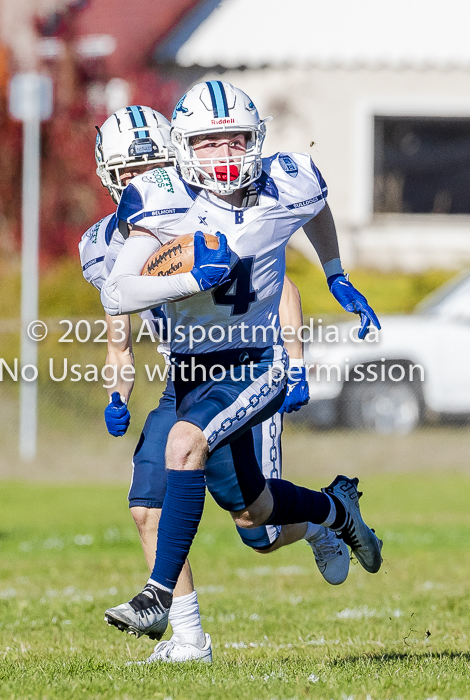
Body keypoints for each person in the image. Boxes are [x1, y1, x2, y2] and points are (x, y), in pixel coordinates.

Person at [83, 101, 353, 653]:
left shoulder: (204, 208)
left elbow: (277, 285)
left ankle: (331, 513)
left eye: (150, 168)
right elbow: (119, 324)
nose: (141, 182)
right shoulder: (108, 242)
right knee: (145, 507)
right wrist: (118, 388)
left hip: (246, 365)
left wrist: (297, 362)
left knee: (259, 527)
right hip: (183, 379)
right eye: (128, 175)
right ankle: (187, 636)